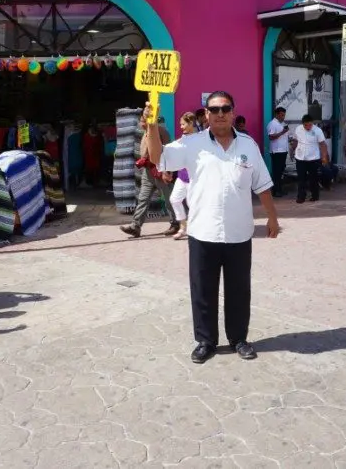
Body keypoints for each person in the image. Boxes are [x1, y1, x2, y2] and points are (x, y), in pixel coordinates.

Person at [147, 91, 280, 364]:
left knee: (239, 289)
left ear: (232, 112)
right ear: (205, 114)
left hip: (239, 232)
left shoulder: (248, 145)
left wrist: (273, 218)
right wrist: (150, 126)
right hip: (202, 232)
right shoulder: (191, 144)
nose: (220, 113)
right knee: (203, 290)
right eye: (214, 109)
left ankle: (238, 338)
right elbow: (158, 158)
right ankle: (205, 341)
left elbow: (262, 184)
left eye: (225, 108)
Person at [119, 117, 179, 238]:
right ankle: (136, 226)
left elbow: (167, 152)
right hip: (148, 171)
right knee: (143, 198)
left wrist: (166, 171)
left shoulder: (162, 132)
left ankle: (176, 224)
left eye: (143, 121)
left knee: (169, 200)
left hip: (161, 171)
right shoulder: (145, 132)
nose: (141, 123)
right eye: (141, 121)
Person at [168, 112, 197, 240]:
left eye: (183, 124)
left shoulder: (199, 139)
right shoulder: (182, 139)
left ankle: (194, 230)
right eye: (180, 124)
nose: (181, 127)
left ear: (191, 123)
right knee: (174, 199)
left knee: (193, 204)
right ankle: (183, 227)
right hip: (181, 177)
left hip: (194, 178)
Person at [291, 114, 329, 204]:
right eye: (306, 125)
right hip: (300, 158)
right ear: (302, 124)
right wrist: (292, 149)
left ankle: (315, 196)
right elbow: (295, 140)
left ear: (312, 123)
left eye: (310, 125)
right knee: (301, 179)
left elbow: (323, 144)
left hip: (313, 159)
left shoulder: (317, 131)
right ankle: (301, 197)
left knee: (313, 179)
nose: (308, 127)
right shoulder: (298, 129)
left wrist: (324, 157)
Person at [266, 107, 289, 197]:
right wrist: (282, 132)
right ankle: (276, 191)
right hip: (277, 151)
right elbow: (271, 137)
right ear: (277, 114)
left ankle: (279, 189)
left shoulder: (282, 124)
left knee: (280, 171)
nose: (283, 117)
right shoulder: (272, 124)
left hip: (283, 151)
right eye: (282, 115)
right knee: (277, 172)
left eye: (284, 115)